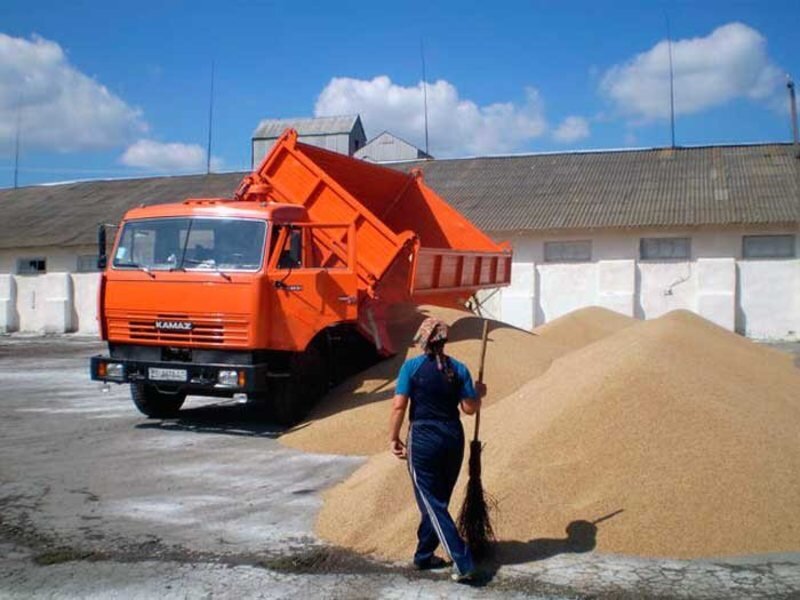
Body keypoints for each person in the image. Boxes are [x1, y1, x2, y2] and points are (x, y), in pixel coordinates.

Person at [388, 317, 483, 583]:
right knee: (436, 500)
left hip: (424, 438)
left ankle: (463, 560)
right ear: (444, 342)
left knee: (432, 502)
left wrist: (393, 437)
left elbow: (399, 406)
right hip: (453, 437)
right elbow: (469, 409)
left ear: (423, 341)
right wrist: (478, 394)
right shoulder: (459, 368)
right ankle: (424, 555)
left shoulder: (412, 368)